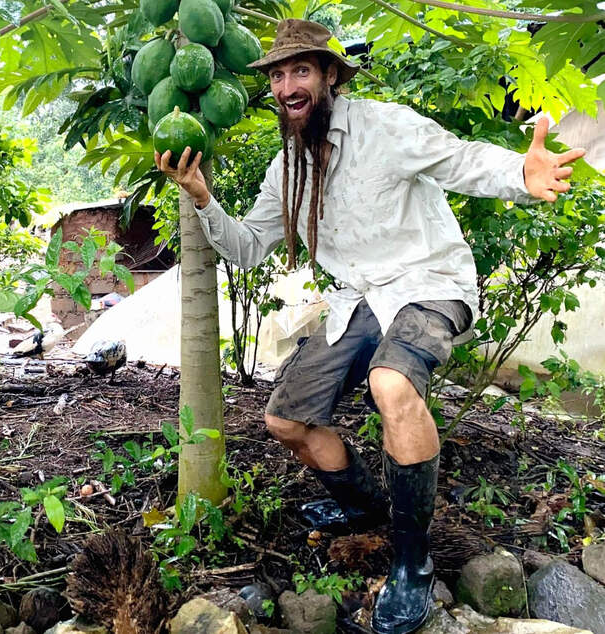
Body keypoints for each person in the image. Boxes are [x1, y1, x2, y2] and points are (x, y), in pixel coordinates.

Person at [154, 18, 586, 634]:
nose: (285, 85)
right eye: (276, 75)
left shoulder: (387, 126)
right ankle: (367, 511)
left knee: (391, 385)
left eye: (299, 70)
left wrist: (522, 174)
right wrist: (202, 198)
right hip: (359, 299)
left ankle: (412, 562)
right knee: (287, 421)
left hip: (429, 284)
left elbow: (462, 160)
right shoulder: (287, 167)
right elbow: (248, 247)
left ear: (330, 75)